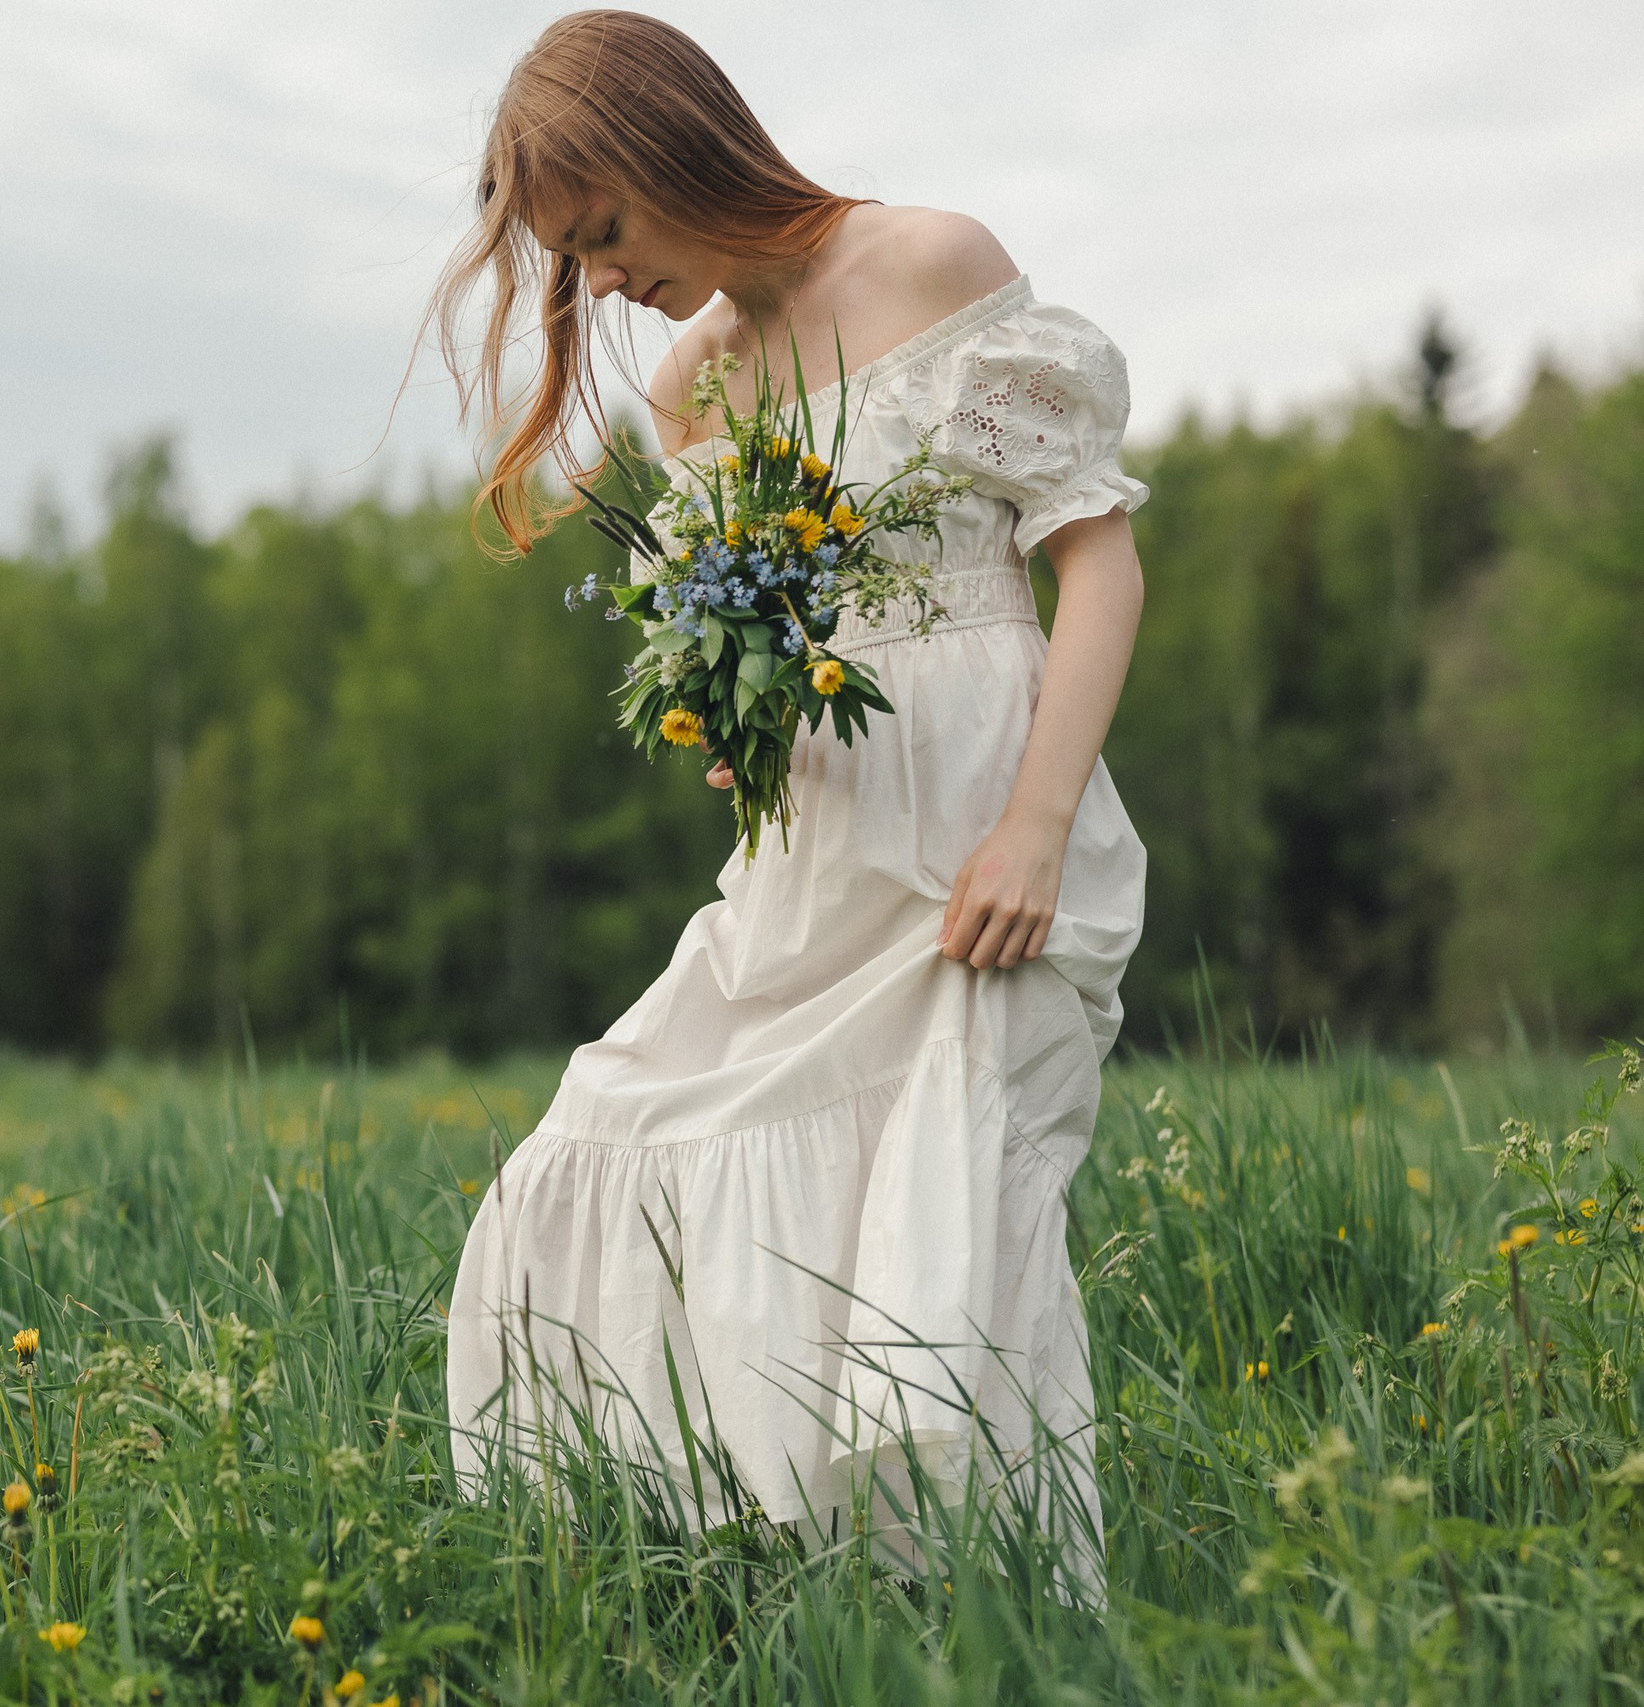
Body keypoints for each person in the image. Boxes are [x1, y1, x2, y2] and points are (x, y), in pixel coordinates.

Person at [430, 11, 1148, 1584]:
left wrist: (1035, 821)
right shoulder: (698, 392)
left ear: (683, 142)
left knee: (950, 1225)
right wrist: (726, 720)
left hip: (981, 829)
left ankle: (1007, 1622)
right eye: (574, 256)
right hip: (814, 857)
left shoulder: (930, 263)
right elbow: (752, 650)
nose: (603, 282)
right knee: (601, 1145)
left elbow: (1095, 559)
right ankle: (757, 1577)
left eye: (604, 229)